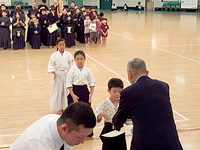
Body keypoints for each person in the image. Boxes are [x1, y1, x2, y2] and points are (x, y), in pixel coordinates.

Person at [113, 58, 183, 150]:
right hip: (170, 142)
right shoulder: (163, 87)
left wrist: (115, 124)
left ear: (129, 74)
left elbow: (119, 118)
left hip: (146, 144)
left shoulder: (128, 92)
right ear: (147, 72)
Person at [10, 102, 96, 150]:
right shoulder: (39, 143)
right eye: (80, 137)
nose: (82, 142)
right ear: (65, 128)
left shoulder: (63, 122)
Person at [95, 78, 127, 150]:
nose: (117, 94)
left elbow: (128, 118)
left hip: (120, 130)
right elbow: (96, 117)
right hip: (108, 129)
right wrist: (101, 114)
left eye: (119, 92)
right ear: (109, 91)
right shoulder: (104, 104)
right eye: (114, 91)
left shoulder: (123, 103)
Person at [48, 38, 74, 114]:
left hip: (67, 74)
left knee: (66, 92)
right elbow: (51, 65)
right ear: (57, 46)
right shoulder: (54, 55)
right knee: (58, 92)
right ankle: (59, 108)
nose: (62, 46)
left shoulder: (68, 54)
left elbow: (72, 65)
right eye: (60, 45)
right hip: (58, 75)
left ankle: (66, 107)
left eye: (63, 45)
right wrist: (54, 72)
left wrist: (70, 73)